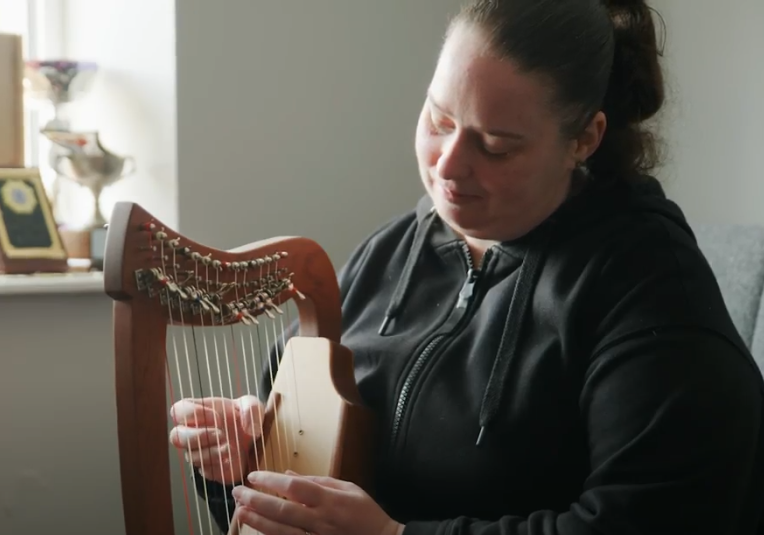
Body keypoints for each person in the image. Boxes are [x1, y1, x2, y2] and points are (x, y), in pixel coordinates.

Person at [169, 0, 764, 533]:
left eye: (497, 145)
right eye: (439, 121)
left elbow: (649, 519)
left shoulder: (652, 288)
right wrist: (245, 462)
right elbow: (305, 484)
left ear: (585, 138)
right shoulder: (393, 252)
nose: (448, 167)